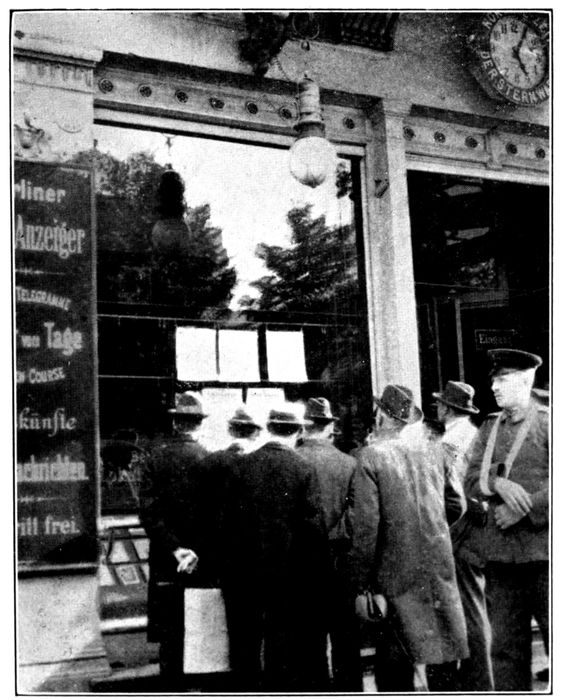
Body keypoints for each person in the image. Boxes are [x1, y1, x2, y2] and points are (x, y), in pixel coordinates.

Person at [348, 384, 468, 692]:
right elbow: (457, 505)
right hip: (437, 564)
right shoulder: (436, 452)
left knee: (395, 666)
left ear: (383, 417)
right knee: (443, 657)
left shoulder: (370, 457)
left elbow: (366, 528)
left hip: (393, 571)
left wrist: (360, 581)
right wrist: (430, 528)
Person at [220, 406, 330, 692]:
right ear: (298, 431)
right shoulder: (303, 468)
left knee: (244, 644)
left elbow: (226, 522)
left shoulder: (240, 466)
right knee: (280, 644)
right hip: (287, 574)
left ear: (268, 428)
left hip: (244, 571)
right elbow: (313, 529)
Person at [457, 348, 549, 691]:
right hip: (501, 559)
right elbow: (469, 480)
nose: (494, 386)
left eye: (503, 379)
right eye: (494, 380)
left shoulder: (548, 423)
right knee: (506, 652)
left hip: (545, 556)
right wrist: (498, 483)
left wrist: (525, 507)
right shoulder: (489, 426)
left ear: (525, 381)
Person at [139, 391, 213, 691]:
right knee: (200, 629)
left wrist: (175, 548)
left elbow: (148, 513)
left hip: (166, 559)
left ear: (175, 423)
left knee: (169, 634)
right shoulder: (210, 459)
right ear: (199, 424)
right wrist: (195, 551)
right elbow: (216, 516)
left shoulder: (155, 459)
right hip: (201, 561)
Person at [429, 380, 493, 691]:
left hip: (460, 532)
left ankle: (480, 684)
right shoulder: (475, 434)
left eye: (440, 404)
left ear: (446, 408)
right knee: (475, 605)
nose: (437, 408)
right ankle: (476, 680)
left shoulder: (449, 442)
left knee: (468, 609)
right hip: (477, 530)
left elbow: (449, 495)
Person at [296, 397, 363, 691]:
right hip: (340, 559)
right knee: (346, 638)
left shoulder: (293, 460)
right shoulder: (349, 463)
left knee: (310, 640)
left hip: (303, 560)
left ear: (304, 427)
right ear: (328, 428)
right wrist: (335, 535)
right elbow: (357, 514)